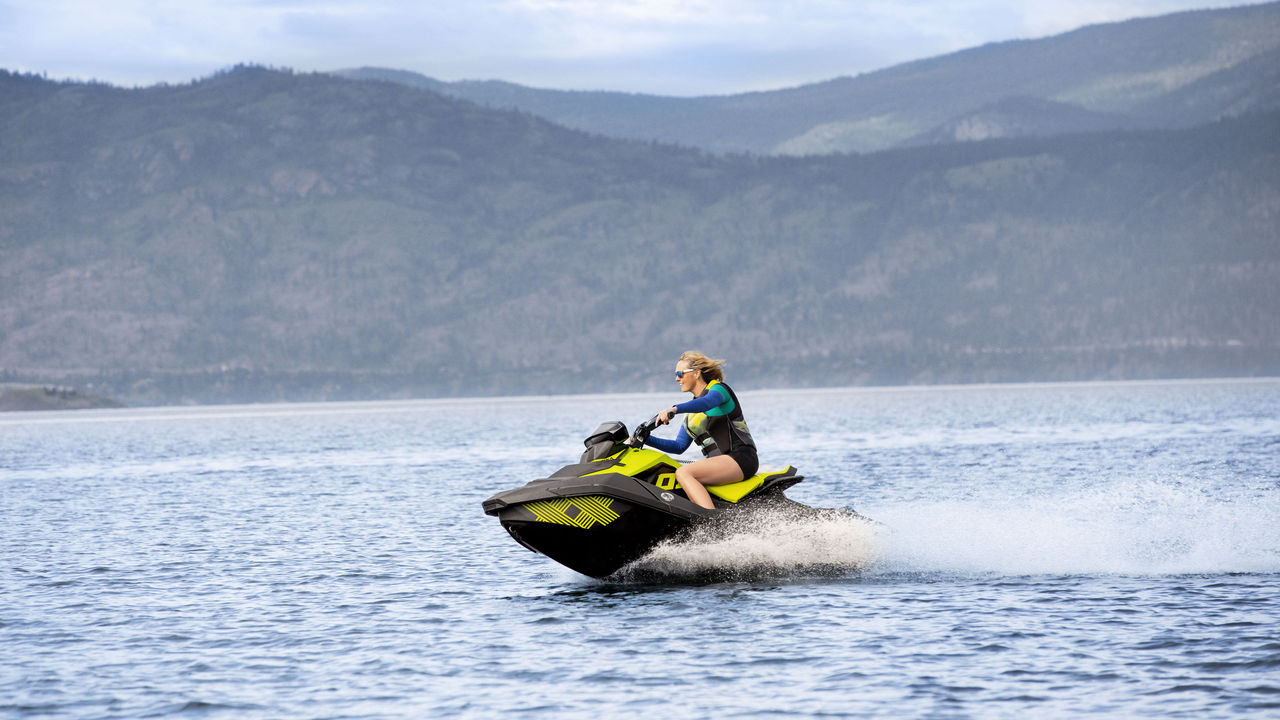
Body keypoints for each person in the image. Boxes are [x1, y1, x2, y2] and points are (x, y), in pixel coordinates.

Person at [645, 351, 759, 510]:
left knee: (684, 473)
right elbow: (678, 446)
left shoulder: (719, 390)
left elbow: (706, 403)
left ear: (697, 373)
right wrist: (645, 439)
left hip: (740, 457)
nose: (677, 379)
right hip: (718, 464)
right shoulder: (691, 413)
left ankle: (711, 522)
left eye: (680, 374)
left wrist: (675, 409)